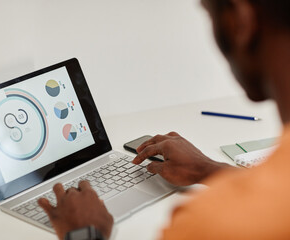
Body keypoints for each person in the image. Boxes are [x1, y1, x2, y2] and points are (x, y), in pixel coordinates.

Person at [38, 0, 290, 239]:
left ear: (240, 20)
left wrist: (84, 233)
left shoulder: (208, 225)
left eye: (208, 11)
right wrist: (207, 168)